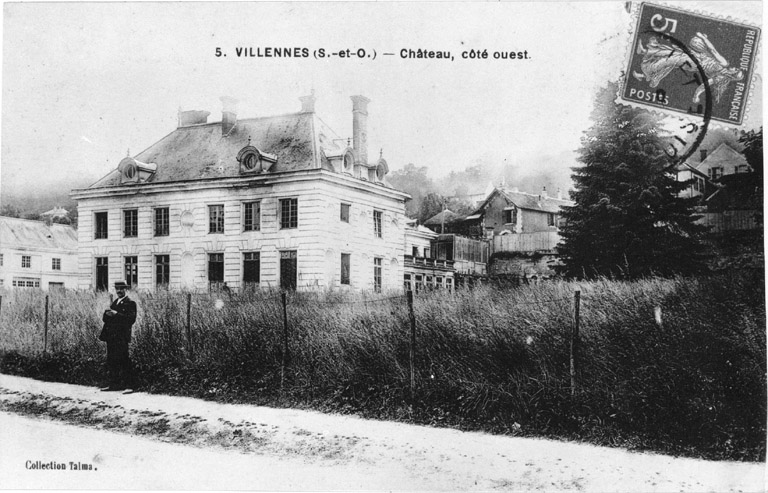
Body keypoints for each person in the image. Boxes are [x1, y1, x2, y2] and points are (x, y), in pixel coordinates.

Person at [100, 280, 137, 394]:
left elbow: (131, 319)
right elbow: (105, 320)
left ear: (126, 290)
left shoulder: (130, 303)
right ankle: (114, 384)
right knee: (112, 360)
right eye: (117, 289)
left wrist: (116, 314)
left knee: (124, 360)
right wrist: (107, 313)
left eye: (121, 288)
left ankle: (129, 385)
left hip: (121, 336)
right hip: (111, 336)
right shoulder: (115, 302)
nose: (119, 291)